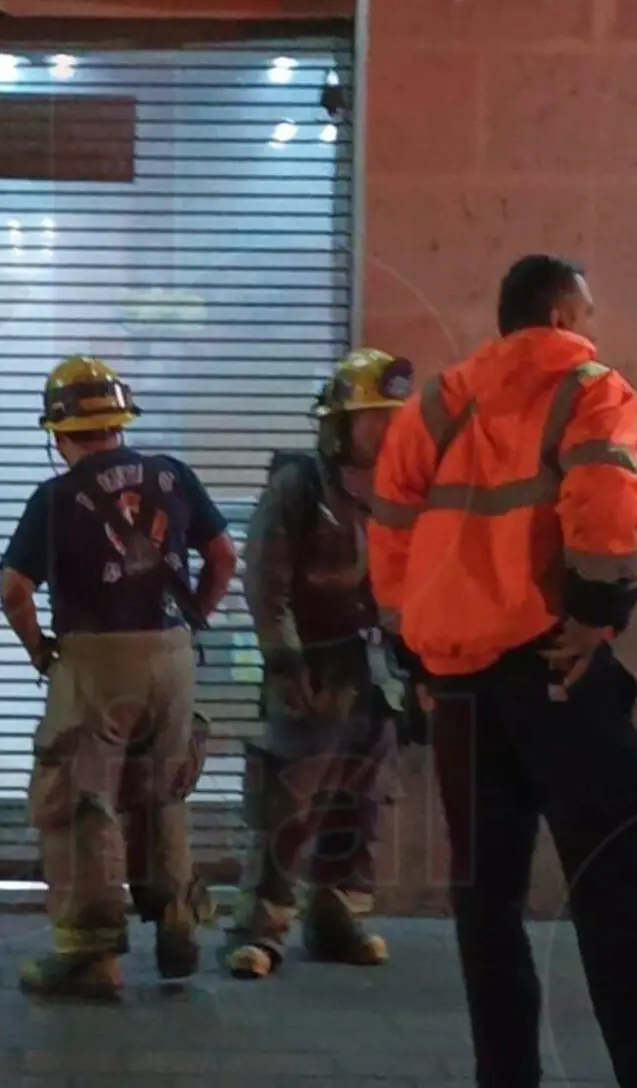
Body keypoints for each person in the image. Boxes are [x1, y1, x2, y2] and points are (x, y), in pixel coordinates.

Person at [367, 255, 637, 1088]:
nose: (591, 327)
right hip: (555, 666)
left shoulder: (437, 403)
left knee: (487, 907)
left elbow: (392, 531)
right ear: (558, 310)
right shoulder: (589, 385)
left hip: (460, 692)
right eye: (585, 310)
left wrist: (415, 650)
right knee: (614, 892)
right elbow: (605, 496)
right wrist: (596, 610)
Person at [0, 354, 240, 1000]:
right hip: (172, 656)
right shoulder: (173, 474)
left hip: (95, 662)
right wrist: (194, 619)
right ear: (119, 421)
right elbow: (223, 555)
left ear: (59, 431)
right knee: (162, 792)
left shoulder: (54, 497)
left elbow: (14, 588)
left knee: (84, 801)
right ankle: (177, 921)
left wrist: (39, 650)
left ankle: (92, 957)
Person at [222, 347, 413, 980]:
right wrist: (283, 658)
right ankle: (259, 931)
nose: (387, 429)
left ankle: (337, 919)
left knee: (362, 802)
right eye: (373, 417)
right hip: (310, 668)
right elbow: (265, 581)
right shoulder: (299, 485)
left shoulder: (401, 490)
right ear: (339, 423)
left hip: (374, 670)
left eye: (394, 416)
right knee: (289, 803)